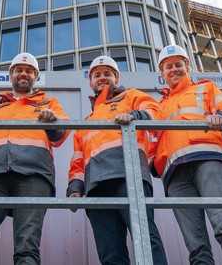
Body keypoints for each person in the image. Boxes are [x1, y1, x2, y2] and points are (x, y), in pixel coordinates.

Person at [0, 52, 69, 265]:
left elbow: (60, 135)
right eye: (19, 70)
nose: (23, 74)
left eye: (28, 71)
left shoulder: (49, 104)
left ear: (35, 76)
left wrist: (51, 121)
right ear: (11, 74)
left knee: (26, 247)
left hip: (34, 176)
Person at [153, 45, 222, 265]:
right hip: (175, 173)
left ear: (187, 67)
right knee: (195, 244)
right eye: (169, 66)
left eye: (178, 64)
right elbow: (153, 140)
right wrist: (154, 162)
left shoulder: (206, 89)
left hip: (208, 160)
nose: (174, 69)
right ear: (162, 73)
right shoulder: (160, 106)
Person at [67, 55, 168, 265]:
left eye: (107, 74)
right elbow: (78, 160)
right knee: (110, 252)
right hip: (96, 187)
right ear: (91, 82)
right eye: (97, 75)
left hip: (130, 178)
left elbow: (156, 111)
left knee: (146, 242)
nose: (102, 78)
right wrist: (75, 187)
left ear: (116, 77)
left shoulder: (131, 97)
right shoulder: (86, 122)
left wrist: (134, 116)